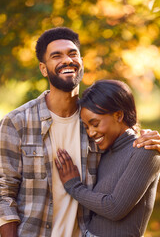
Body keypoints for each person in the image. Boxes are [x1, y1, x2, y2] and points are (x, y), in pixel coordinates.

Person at [0, 27, 160, 237]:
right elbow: (4, 193)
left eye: (72, 53)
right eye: (56, 56)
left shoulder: (95, 121)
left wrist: (152, 139)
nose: (67, 60)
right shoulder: (18, 122)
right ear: (43, 68)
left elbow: (126, 148)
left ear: (82, 61)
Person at [55, 79, 160, 237]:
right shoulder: (104, 151)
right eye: (87, 127)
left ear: (118, 115)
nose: (91, 133)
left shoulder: (145, 151)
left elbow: (114, 208)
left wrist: (73, 186)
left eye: (95, 124)